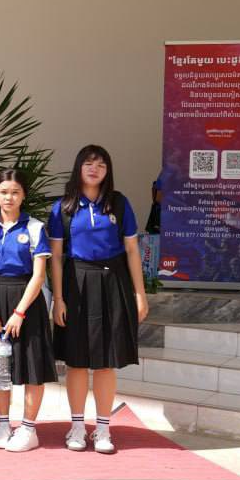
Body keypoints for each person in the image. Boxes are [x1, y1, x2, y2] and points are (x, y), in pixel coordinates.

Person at [50, 145, 149, 454]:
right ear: (78, 167)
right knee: (77, 361)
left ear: (108, 171)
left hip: (113, 282)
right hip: (76, 284)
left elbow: (132, 250)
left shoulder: (119, 203)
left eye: (101, 164)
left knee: (106, 362)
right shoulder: (63, 207)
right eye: (89, 163)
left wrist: (139, 294)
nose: (95, 169)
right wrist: (58, 299)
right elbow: (56, 257)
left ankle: (103, 429)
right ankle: (78, 427)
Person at [0, 169, 57, 453]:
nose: (9, 197)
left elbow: (39, 276)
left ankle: (29, 428)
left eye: (15, 192)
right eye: (4, 192)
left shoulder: (34, 227)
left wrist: (19, 313)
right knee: (0, 366)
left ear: (23, 196)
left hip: (27, 302)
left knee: (32, 367)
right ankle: (3, 424)